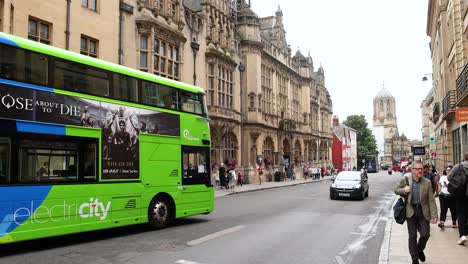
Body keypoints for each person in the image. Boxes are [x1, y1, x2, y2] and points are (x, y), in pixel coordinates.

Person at [394, 161, 438, 264]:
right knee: (412, 236)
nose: (420, 171)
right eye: (418, 169)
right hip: (411, 211)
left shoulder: (427, 182)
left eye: (421, 169)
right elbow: (396, 190)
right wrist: (404, 190)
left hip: (423, 212)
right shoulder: (405, 179)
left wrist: (434, 215)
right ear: (412, 170)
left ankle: (419, 250)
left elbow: (431, 200)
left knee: (425, 235)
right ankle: (414, 258)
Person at [447, 152, 468, 245]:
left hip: (461, 194)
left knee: (461, 214)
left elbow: (449, 177)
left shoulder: (458, 166)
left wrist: (457, 183)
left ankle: (462, 235)